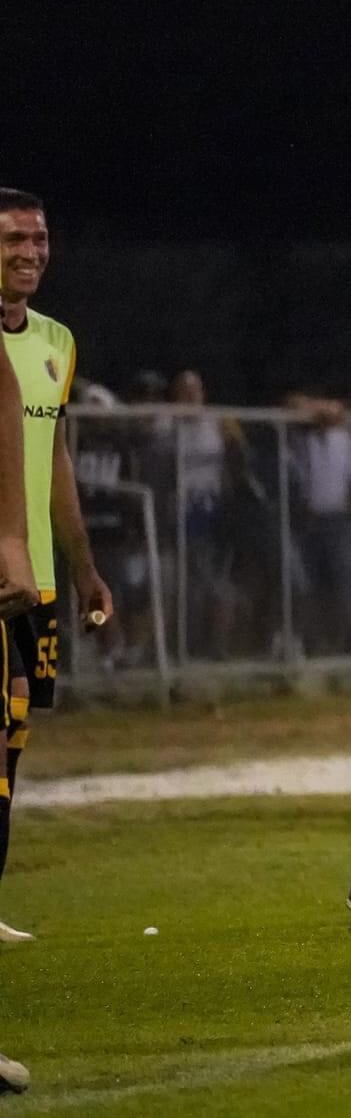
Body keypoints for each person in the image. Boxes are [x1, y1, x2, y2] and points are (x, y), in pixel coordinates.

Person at [0, 189, 114, 946]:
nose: (29, 253)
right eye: (13, 239)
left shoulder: (55, 342)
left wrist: (84, 571)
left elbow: (54, 463)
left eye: (38, 239)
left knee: (11, 746)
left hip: (33, 574)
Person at [0, 324, 46, 945]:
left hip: (20, 568)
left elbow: (9, 407)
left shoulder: (54, 342)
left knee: (12, 714)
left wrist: (13, 538)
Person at [289, 396, 351, 655]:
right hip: (310, 520)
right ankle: (312, 641)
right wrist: (318, 409)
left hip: (339, 517)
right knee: (308, 581)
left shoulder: (343, 439)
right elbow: (292, 405)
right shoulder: (301, 442)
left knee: (346, 577)